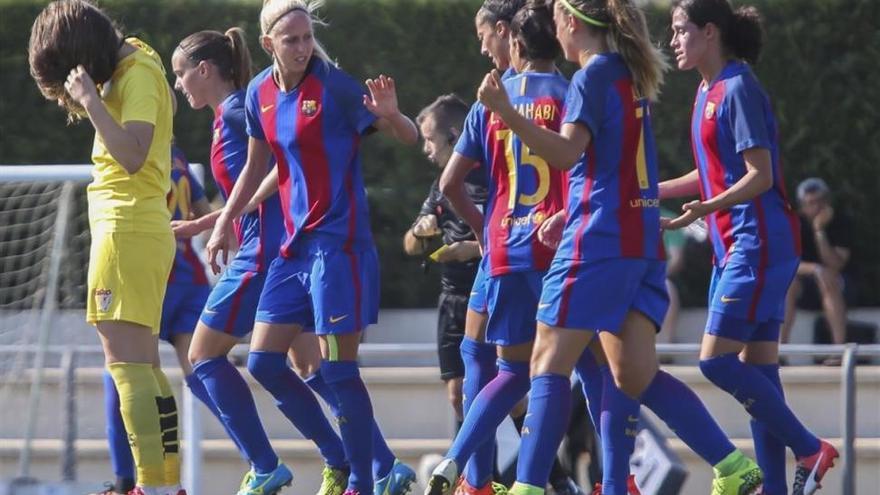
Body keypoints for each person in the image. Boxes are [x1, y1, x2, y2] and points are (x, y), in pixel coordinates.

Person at [477, 1, 764, 494]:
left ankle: (524, 487)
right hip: (638, 241)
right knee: (635, 373)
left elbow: (566, 153)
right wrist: (569, 210)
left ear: (570, 23)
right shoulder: (629, 74)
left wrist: (505, 112)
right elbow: (619, 169)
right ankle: (734, 467)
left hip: (597, 244)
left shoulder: (591, 78)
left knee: (545, 362)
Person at [204, 1, 420, 494]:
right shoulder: (258, 93)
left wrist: (393, 116)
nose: (302, 48)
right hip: (293, 251)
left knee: (340, 370)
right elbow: (258, 165)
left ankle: (363, 482)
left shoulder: (336, 88)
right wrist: (223, 222)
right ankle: (352, 464)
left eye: (306, 38)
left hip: (339, 250)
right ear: (269, 45)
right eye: (292, 40)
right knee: (262, 362)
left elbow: (405, 136)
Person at [663, 1, 838, 494]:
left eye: (681, 31)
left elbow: (759, 175)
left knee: (715, 361)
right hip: (735, 246)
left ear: (710, 32)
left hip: (757, 244)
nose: (674, 41)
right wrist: (657, 190)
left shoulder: (738, 88)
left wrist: (704, 208)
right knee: (759, 371)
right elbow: (712, 169)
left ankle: (810, 447)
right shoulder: (705, 91)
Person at [28, 2, 182, 494]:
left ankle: (150, 486)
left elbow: (135, 155)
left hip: (125, 230)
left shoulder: (133, 73)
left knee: (127, 369)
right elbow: (160, 115)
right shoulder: (141, 56)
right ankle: (166, 483)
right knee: (149, 369)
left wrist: (92, 101)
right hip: (142, 230)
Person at [426, 5, 570, 495]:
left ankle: (476, 478)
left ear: (511, 37)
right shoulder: (571, 95)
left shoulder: (492, 99)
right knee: (576, 369)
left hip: (503, 247)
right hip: (553, 252)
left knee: (484, 361)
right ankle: (597, 479)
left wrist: (485, 232)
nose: (483, 45)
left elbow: (449, 183)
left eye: (485, 34)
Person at [96, 146, 213, 495]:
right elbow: (205, 214)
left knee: (123, 376)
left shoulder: (129, 148)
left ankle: (130, 482)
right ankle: (257, 461)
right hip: (186, 279)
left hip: (151, 276)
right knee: (202, 378)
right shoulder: (175, 155)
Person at [403, 94, 485, 424]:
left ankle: (554, 474)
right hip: (451, 301)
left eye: (430, 140)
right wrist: (421, 233)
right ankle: (476, 475)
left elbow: (517, 238)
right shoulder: (441, 186)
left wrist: (473, 250)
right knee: (459, 395)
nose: (426, 149)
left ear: (454, 135)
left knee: (495, 391)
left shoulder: (493, 176)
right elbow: (409, 245)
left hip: (487, 295)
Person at [781, 177, 852, 364]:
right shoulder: (794, 223)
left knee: (827, 278)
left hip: (837, 284)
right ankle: (780, 350)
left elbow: (836, 264)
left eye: (821, 201)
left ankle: (838, 351)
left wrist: (819, 231)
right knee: (787, 285)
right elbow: (786, 262)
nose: (817, 207)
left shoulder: (840, 221)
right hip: (806, 280)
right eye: (811, 203)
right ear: (802, 206)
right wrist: (815, 269)